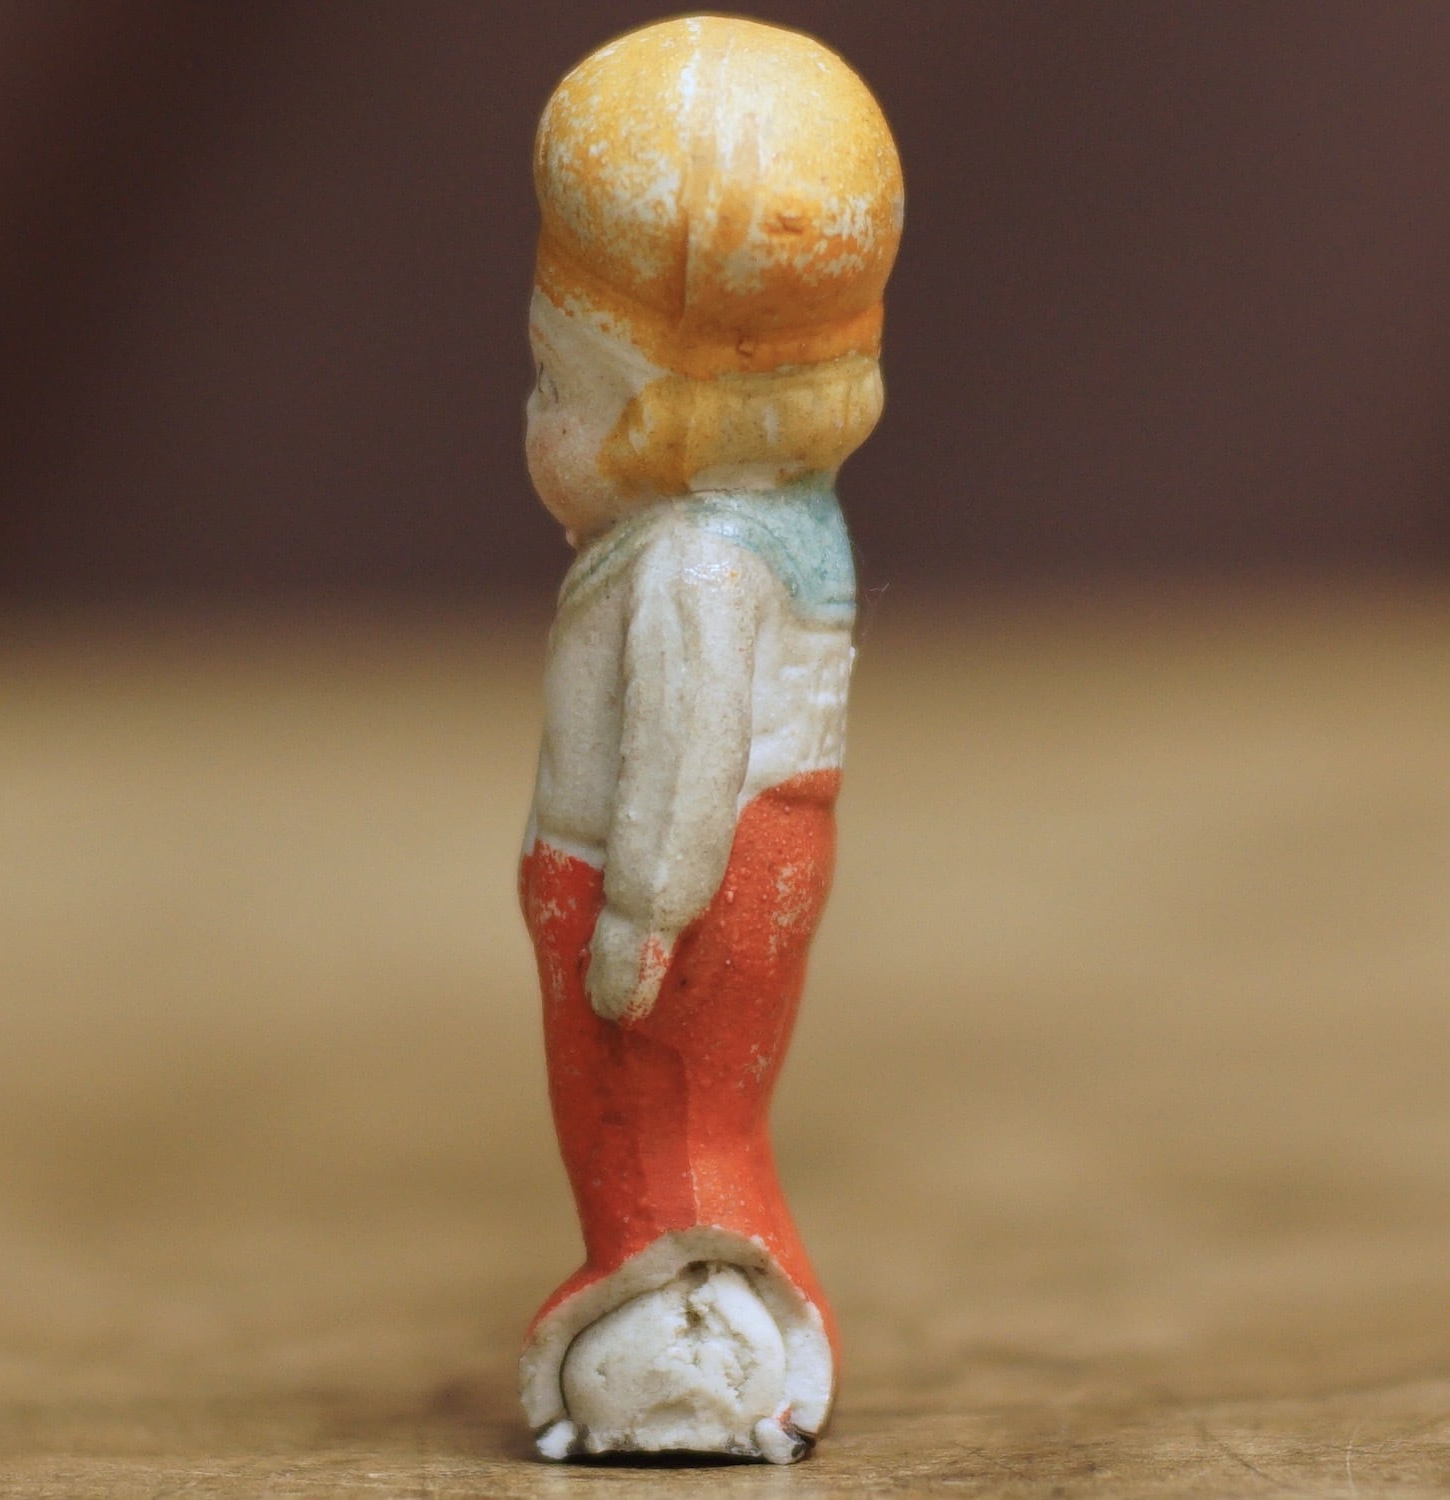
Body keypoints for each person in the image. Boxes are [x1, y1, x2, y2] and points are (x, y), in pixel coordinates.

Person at [516, 15, 903, 1463]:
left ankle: (684, 1327)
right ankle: (685, 1301)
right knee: (685, 1120)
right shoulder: (764, 526)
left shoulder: (693, 560)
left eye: (555, 383)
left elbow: (684, 759)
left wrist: (639, 915)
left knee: (656, 1118)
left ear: (655, 420)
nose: (533, 415)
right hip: (725, 882)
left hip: (673, 901)